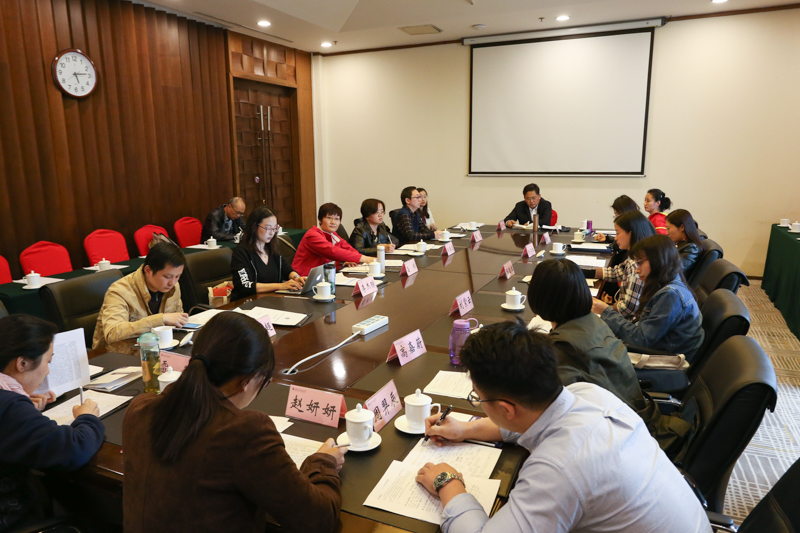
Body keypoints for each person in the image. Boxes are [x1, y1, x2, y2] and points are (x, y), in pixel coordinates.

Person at [416, 320, 710, 533]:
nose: (480, 404)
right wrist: (466, 429)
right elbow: (529, 421)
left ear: (506, 408)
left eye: (478, 399)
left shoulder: (558, 469)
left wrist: (448, 483)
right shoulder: (587, 393)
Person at [123, 312, 345, 532]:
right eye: (264, 381)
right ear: (247, 381)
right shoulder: (244, 432)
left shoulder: (140, 408)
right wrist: (323, 463)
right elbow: (318, 520)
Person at [0, 315, 103, 530]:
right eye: (48, 362)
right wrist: (87, 417)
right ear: (22, 363)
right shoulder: (9, 407)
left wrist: (25, 411)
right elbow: (74, 449)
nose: (47, 371)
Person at [527, 258, 646, 413]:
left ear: (538, 297)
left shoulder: (562, 348)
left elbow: (548, 408)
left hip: (612, 421)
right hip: (632, 413)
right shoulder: (595, 321)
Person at [594, 235, 705, 360]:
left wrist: (605, 311)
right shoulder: (669, 284)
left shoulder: (670, 295)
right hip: (660, 351)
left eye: (640, 263)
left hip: (665, 361)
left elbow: (642, 340)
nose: (637, 270)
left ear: (658, 261)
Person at [93, 242, 188, 355]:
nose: (172, 282)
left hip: (155, 350)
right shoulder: (119, 291)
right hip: (116, 355)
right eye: (167, 276)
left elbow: (177, 321)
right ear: (148, 270)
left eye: (177, 276)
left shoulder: (174, 287)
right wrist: (160, 319)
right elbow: (112, 333)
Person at [230, 206, 305, 301]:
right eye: (268, 228)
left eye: (275, 228)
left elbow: (287, 270)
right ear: (254, 227)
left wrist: (296, 278)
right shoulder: (241, 252)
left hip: (272, 300)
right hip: (248, 303)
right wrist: (280, 286)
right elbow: (245, 285)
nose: (272, 233)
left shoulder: (271, 248)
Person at [592, 210, 656, 319]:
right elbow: (617, 273)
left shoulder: (636, 263)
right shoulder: (638, 255)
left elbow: (629, 308)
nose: (615, 238)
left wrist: (607, 307)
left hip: (628, 323)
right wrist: (585, 272)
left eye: (617, 233)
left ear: (630, 233)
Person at [292, 203, 375, 276]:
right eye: (329, 218)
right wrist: (367, 259)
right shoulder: (312, 235)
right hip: (303, 278)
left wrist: (349, 259)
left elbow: (348, 248)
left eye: (337, 219)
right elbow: (332, 251)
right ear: (320, 220)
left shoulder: (333, 234)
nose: (333, 222)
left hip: (325, 276)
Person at [666, 209, 703, 279]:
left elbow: (673, 270)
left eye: (668, 228)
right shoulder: (681, 243)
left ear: (682, 227)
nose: (667, 233)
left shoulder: (691, 249)